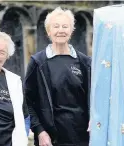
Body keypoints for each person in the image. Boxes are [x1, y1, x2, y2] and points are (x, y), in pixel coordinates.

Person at [24, 7, 91, 146]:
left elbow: (95, 99)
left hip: (83, 137)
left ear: (71, 31)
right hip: (50, 139)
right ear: (48, 31)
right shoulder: (38, 62)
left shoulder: (85, 62)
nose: (61, 30)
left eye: (65, 26)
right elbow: (27, 102)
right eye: (56, 26)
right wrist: (40, 132)